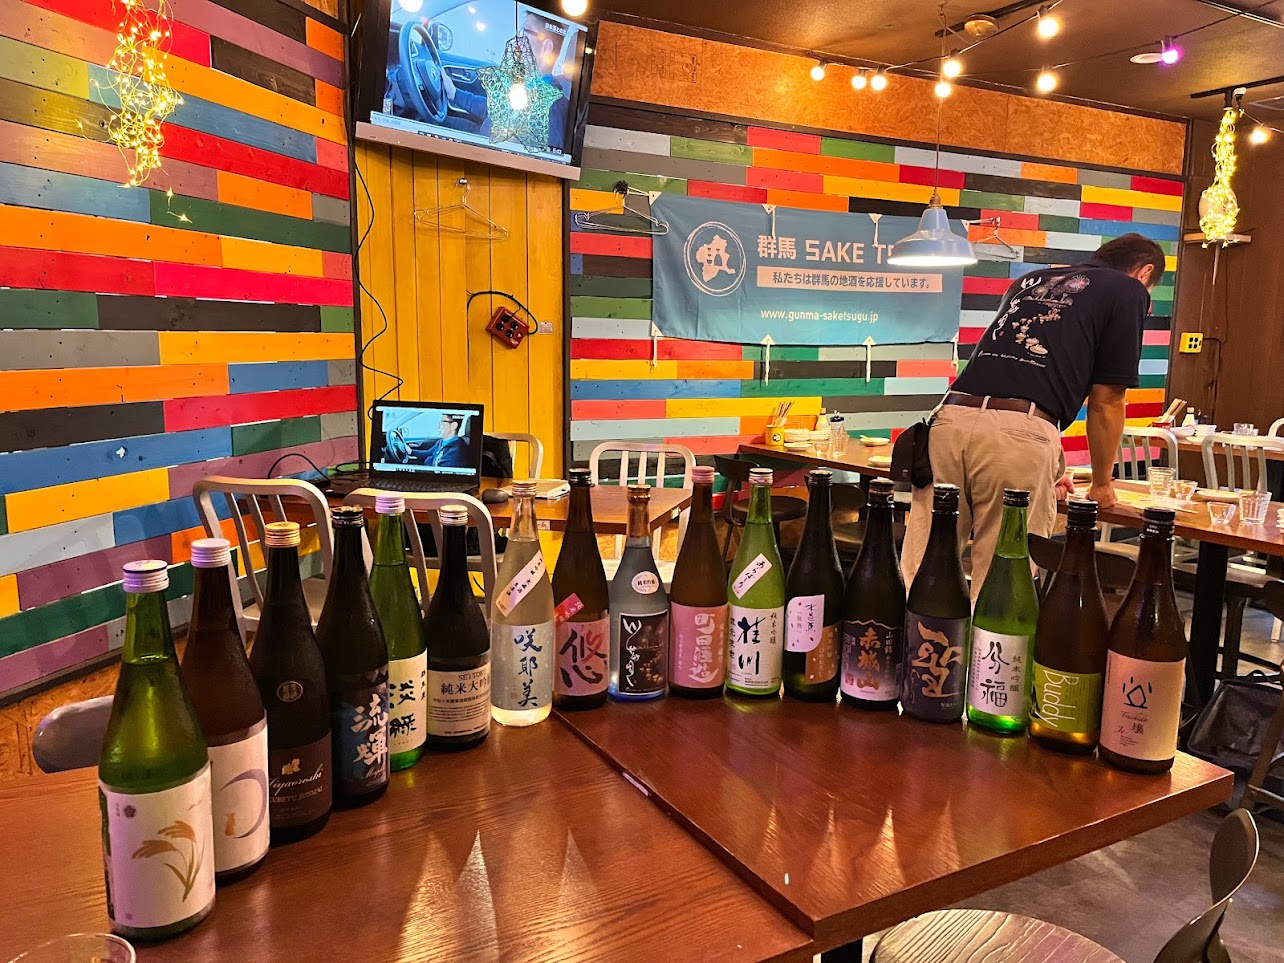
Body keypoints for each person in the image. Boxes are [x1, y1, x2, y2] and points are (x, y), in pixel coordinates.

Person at [900, 232, 1167, 598]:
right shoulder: (1129, 290)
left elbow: (1013, 372)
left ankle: (907, 636)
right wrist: (1102, 485)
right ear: (1145, 272)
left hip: (948, 420)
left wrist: (1049, 470)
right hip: (1019, 435)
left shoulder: (1032, 280)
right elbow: (1107, 401)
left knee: (923, 569)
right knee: (1001, 586)